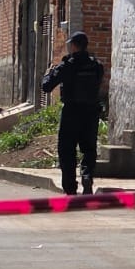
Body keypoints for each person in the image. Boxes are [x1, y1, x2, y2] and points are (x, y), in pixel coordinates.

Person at [41, 31, 105, 195]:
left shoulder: (67, 65)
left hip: (71, 112)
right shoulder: (96, 65)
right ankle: (87, 177)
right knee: (89, 149)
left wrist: (49, 72)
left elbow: (47, 87)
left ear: (74, 46)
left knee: (67, 150)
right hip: (91, 112)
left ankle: (70, 187)